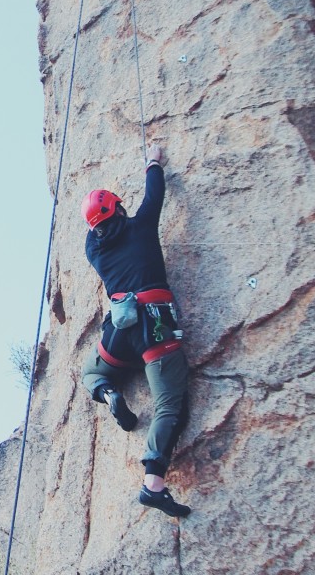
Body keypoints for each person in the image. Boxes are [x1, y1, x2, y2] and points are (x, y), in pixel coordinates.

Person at [79, 143, 191, 518]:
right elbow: (154, 194)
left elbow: (96, 231)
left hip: (120, 328)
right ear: (119, 209)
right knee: (169, 404)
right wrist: (153, 162)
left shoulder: (95, 251)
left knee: (92, 371)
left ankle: (108, 390)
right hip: (155, 325)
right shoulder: (141, 225)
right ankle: (153, 485)